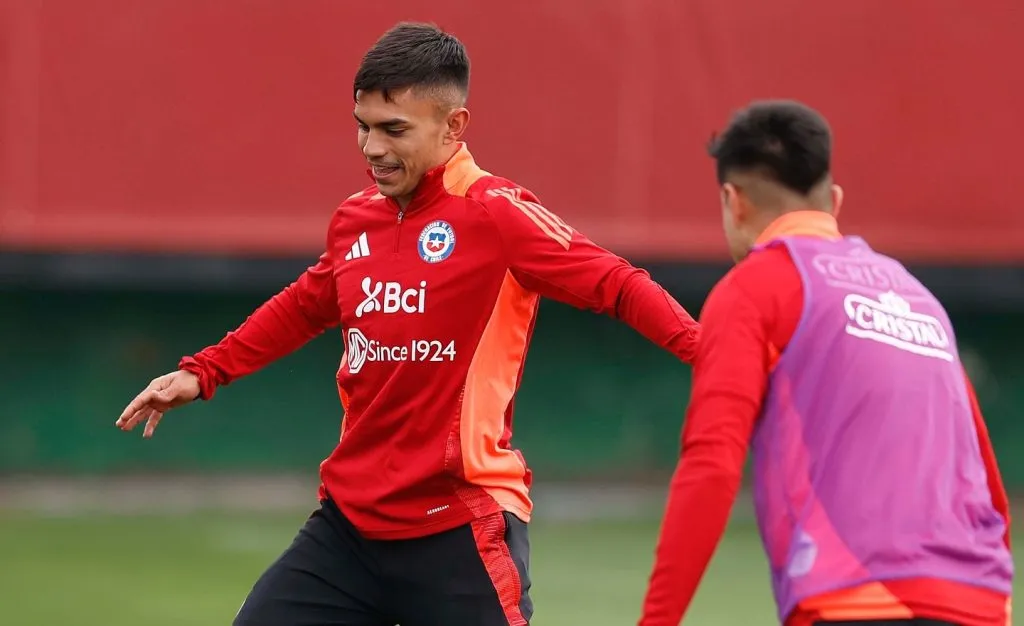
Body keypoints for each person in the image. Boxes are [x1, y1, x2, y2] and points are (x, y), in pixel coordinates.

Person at [115, 22, 701, 626]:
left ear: (453, 127)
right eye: (362, 127)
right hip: (349, 528)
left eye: (394, 130)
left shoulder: (498, 215)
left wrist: (711, 357)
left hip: (457, 526)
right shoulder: (355, 221)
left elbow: (617, 283)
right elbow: (306, 304)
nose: (372, 148)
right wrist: (204, 372)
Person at [637, 100, 1013, 626]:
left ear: (734, 201)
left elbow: (711, 466)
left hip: (854, 599)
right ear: (833, 200)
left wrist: (658, 620)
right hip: (978, 602)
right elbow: (987, 480)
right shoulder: (918, 297)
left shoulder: (753, 289)